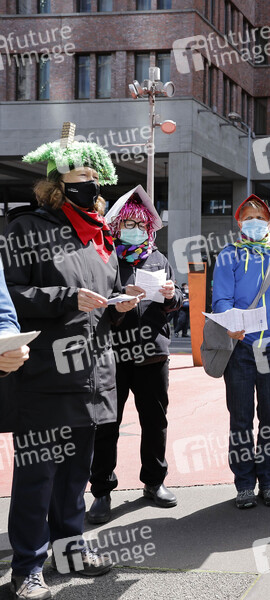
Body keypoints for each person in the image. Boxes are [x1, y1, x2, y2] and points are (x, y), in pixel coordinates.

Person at [4, 134, 139, 600]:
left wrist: (123, 304)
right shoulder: (26, 228)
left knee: (76, 473)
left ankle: (70, 549)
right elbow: (10, 296)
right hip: (45, 376)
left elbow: (105, 299)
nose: (90, 184)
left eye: (94, 176)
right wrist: (66, 297)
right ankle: (27, 567)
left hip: (93, 374)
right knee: (37, 475)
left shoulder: (100, 236)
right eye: (80, 176)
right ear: (56, 184)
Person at [87, 186, 183, 524]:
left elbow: (177, 301)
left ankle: (154, 482)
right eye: (129, 224)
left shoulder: (158, 259)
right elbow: (96, 307)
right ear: (117, 225)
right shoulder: (106, 258)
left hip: (153, 355)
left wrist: (171, 296)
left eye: (141, 225)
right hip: (113, 356)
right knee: (106, 425)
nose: (136, 230)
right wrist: (118, 305)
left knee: (155, 421)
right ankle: (101, 490)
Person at [212, 195, 270, 509]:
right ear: (239, 222)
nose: (254, 222)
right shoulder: (228, 255)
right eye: (248, 217)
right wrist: (230, 322)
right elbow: (221, 298)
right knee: (241, 419)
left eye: (260, 217)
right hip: (241, 348)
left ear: (269, 222)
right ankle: (245, 485)